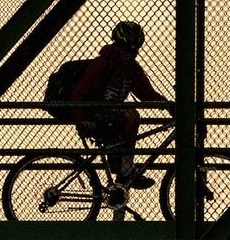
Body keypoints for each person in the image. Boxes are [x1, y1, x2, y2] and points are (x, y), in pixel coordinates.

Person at [66, 21, 169, 189]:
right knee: (132, 116)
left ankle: (122, 170)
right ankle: (126, 169)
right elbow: (78, 93)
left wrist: (168, 106)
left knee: (127, 121)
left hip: (111, 117)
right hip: (94, 115)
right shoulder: (103, 63)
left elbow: (146, 93)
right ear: (118, 46)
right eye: (128, 49)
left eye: (136, 50)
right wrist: (81, 119)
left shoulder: (132, 68)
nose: (132, 54)